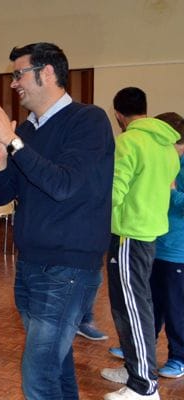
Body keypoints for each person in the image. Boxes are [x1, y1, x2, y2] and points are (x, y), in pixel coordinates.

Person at [0, 42, 114, 399]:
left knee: (37, 374)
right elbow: (2, 196)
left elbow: (63, 185)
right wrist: (0, 158)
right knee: (57, 366)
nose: (13, 84)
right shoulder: (29, 132)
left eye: (19, 74)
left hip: (68, 268)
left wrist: (13, 141)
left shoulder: (88, 120)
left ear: (47, 73)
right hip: (31, 264)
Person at [99, 87, 179, 400]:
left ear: (118, 114)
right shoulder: (167, 145)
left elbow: (115, 189)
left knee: (131, 307)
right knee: (132, 305)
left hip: (129, 235)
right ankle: (136, 369)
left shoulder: (130, 141)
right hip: (148, 234)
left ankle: (144, 386)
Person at [150, 112, 184, 380]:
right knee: (152, 303)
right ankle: (143, 349)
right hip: (156, 244)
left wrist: (171, 190)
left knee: (176, 308)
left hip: (177, 251)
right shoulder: (166, 160)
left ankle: (178, 357)